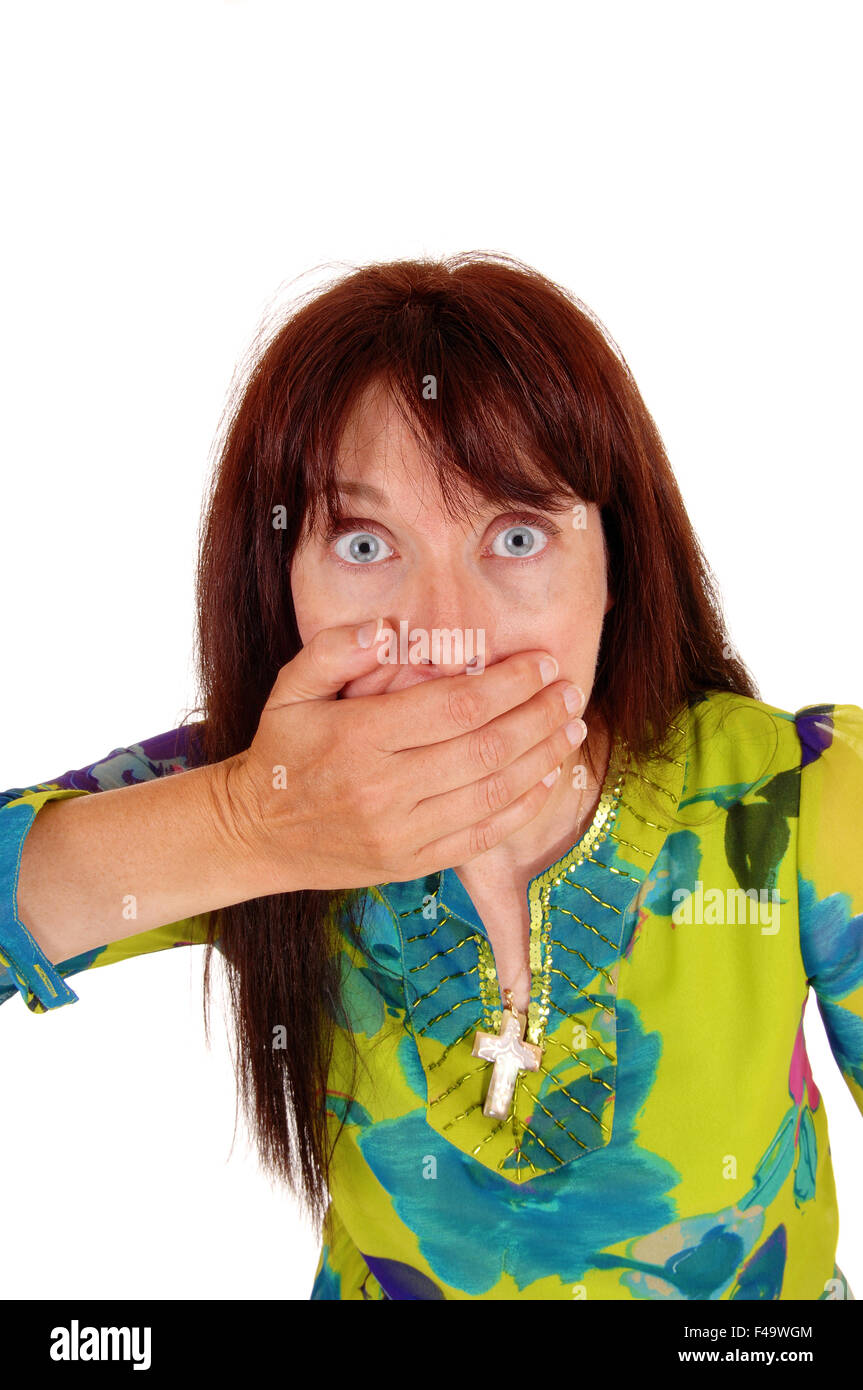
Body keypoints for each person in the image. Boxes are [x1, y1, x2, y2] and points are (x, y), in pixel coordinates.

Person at [1, 252, 860, 1301]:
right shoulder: (255, 777)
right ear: (283, 588)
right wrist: (253, 824)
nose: (446, 632)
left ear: (617, 565)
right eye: (365, 542)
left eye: (513, 533)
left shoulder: (794, 790)